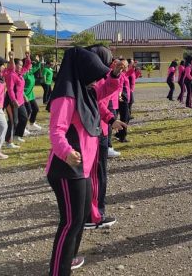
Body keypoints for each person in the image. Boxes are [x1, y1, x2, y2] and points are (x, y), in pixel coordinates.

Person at [46, 46, 120, 275]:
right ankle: (59, 270)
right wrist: (66, 152)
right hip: (68, 167)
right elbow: (56, 131)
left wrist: (115, 75)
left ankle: (68, 259)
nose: (97, 79)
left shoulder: (85, 90)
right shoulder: (66, 95)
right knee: (69, 222)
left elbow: (104, 92)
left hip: (84, 167)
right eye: (94, 73)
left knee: (79, 220)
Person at [84, 46, 126, 231]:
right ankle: (93, 216)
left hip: (98, 128)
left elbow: (97, 102)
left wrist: (110, 119)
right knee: (96, 176)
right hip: (94, 132)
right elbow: (99, 97)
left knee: (96, 175)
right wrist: (115, 75)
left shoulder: (89, 78)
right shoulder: (92, 79)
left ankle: (92, 213)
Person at [4, 51, 32, 148]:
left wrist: (27, 57)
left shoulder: (20, 74)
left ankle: (17, 136)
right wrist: (13, 100)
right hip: (12, 101)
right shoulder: (11, 75)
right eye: (19, 65)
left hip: (20, 101)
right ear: (14, 65)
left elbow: (27, 66)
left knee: (24, 117)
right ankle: (8, 142)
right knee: (13, 121)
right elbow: (10, 89)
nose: (21, 66)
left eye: (21, 65)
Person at [23, 55, 43, 131]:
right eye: (30, 63)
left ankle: (31, 123)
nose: (32, 64)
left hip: (31, 96)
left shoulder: (30, 72)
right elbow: (19, 87)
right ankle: (23, 127)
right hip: (24, 96)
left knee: (36, 109)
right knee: (27, 111)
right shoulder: (24, 74)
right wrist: (24, 95)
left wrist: (38, 61)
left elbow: (38, 66)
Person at [115, 59, 131, 143]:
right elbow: (120, 86)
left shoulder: (124, 74)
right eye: (127, 65)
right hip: (122, 98)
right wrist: (119, 95)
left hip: (124, 98)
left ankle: (119, 134)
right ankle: (122, 136)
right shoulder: (121, 75)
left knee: (126, 117)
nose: (128, 66)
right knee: (125, 117)